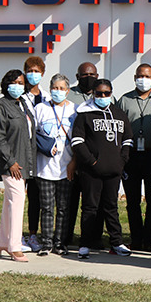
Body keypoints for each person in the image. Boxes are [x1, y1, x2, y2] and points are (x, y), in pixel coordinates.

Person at [71, 78, 134, 259]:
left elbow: (128, 139)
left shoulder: (120, 114)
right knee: (90, 207)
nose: (103, 96)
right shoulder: (84, 114)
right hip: (91, 170)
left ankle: (116, 242)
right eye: (99, 93)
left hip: (114, 170)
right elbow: (77, 141)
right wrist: (92, 162)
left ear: (111, 93)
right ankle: (85, 244)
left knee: (111, 207)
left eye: (107, 93)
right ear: (93, 94)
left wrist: (122, 160)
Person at [117, 63, 151, 252]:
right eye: (140, 76)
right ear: (134, 77)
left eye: (147, 76)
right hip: (131, 156)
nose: (143, 79)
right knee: (132, 200)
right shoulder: (124, 100)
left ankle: (149, 241)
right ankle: (136, 239)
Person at [0, 69, 35, 262]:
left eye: (21, 83)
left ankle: (4, 243)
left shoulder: (22, 104)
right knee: (17, 203)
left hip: (24, 161)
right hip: (12, 164)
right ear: (6, 84)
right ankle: (15, 247)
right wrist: (10, 162)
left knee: (11, 203)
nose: (18, 86)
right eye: (14, 82)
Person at [32, 73, 77, 256]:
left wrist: (74, 161)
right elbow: (32, 134)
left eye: (62, 88)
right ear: (50, 89)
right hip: (44, 168)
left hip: (66, 167)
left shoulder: (75, 110)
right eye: (55, 88)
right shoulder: (40, 108)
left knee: (64, 207)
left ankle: (60, 242)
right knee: (47, 207)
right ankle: (47, 243)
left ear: (68, 90)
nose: (58, 91)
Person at [64, 61, 98, 248]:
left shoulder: (103, 95)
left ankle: (92, 238)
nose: (89, 77)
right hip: (72, 155)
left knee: (92, 203)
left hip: (94, 158)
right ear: (77, 77)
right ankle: (65, 237)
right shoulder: (70, 95)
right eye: (85, 75)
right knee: (69, 201)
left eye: (92, 74)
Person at [21, 56, 46, 253]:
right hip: (23, 154)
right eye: (29, 70)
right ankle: (16, 233)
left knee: (36, 197)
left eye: (36, 71)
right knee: (20, 195)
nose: (33, 74)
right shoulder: (19, 97)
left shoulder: (47, 97)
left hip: (41, 156)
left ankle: (33, 233)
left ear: (43, 74)